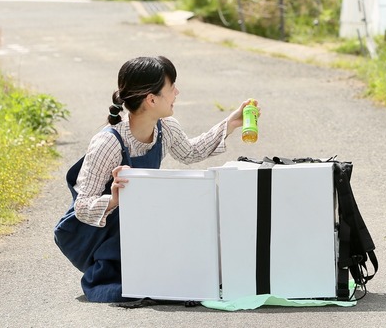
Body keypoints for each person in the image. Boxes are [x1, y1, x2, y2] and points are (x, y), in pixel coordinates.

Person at [70, 55, 255, 302]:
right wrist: (113, 199)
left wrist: (231, 123)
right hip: (104, 235)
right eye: (171, 88)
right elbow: (81, 208)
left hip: (140, 226)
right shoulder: (107, 143)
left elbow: (191, 152)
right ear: (152, 99)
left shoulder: (165, 128)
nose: (177, 92)